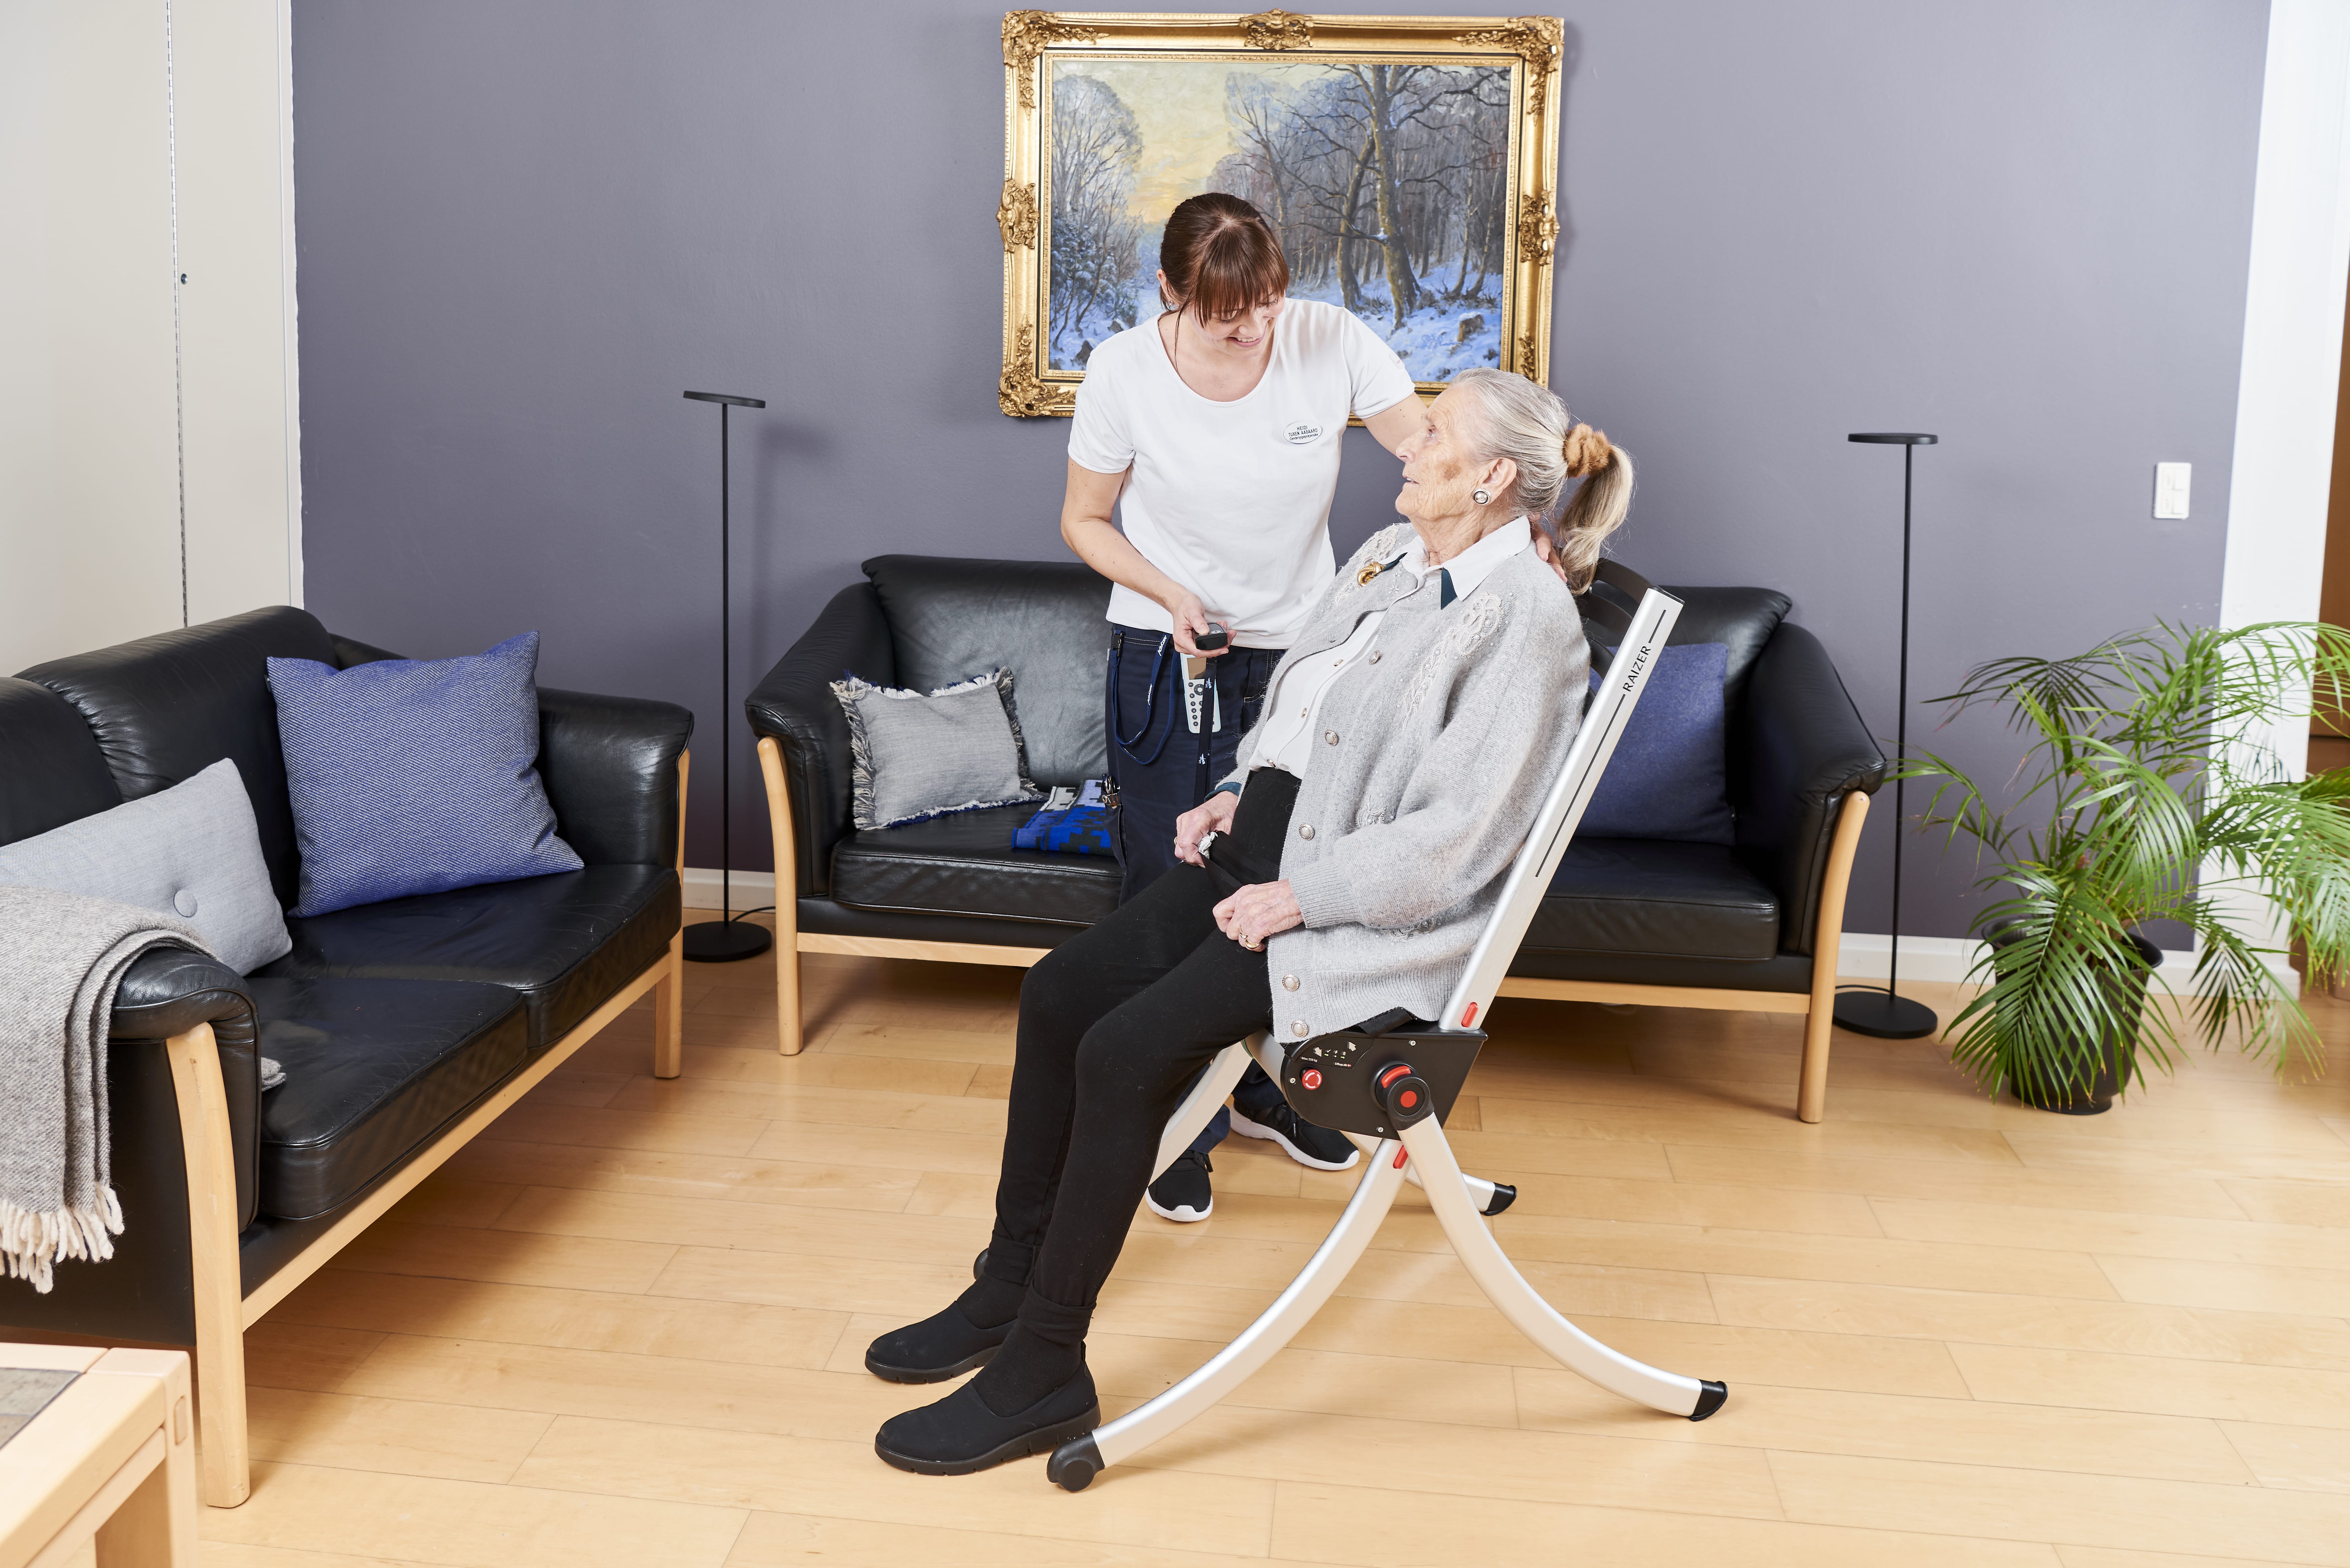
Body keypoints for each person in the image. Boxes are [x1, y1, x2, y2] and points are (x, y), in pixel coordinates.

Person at [866, 367, 1637, 1475]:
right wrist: (1237, 790)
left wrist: (1302, 897)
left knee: (1124, 1051)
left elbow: (1461, 840)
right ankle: (1004, 1287)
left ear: (1492, 478)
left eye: (1437, 435)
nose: (1409, 444)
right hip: (1266, 856)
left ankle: (1045, 1362)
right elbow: (1304, 710)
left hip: (1348, 921)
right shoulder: (1394, 556)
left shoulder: (1528, 622)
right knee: (1059, 992)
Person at [1060, 192, 1431, 1220]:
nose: (1256, 328)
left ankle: (1269, 1086)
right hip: (1165, 645)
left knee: (1286, 878)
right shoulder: (1126, 368)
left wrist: (1499, 498)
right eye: (1230, 313)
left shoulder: (1331, 338)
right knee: (1166, 883)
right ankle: (1178, 1119)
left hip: (1300, 652)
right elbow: (1084, 519)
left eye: (1268, 302)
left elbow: (1426, 452)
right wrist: (1172, 593)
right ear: (1175, 294)